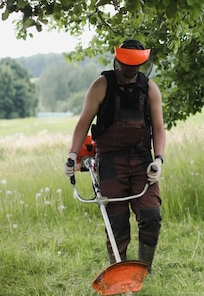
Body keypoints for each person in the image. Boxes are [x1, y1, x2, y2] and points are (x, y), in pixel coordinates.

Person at [64, 39, 166, 271]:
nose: (130, 70)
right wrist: (72, 155)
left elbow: (159, 128)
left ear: (142, 64)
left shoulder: (149, 88)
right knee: (116, 221)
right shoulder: (101, 86)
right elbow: (83, 124)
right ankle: (118, 270)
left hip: (142, 160)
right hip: (110, 162)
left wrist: (158, 160)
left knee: (151, 215)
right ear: (118, 61)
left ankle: (143, 270)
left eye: (135, 66)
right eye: (126, 65)